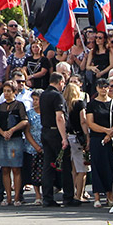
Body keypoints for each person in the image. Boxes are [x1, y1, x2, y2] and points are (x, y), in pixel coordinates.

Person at [38, 71, 75, 207]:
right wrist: (64, 138)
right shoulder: (57, 96)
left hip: (45, 131)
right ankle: (68, 197)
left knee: (48, 165)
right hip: (56, 133)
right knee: (65, 166)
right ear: (60, 82)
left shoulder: (43, 95)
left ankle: (47, 197)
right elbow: (59, 117)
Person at [86, 78, 113, 208]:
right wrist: (105, 131)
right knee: (96, 167)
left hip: (111, 139)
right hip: (97, 138)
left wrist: (109, 134)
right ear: (96, 88)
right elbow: (90, 123)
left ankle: (110, 195)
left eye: (106, 86)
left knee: (110, 167)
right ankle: (96, 196)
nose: (103, 89)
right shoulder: (91, 104)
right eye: (100, 86)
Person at [0, 80, 28, 206]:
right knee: (5, 168)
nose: (6, 93)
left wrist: (12, 130)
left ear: (14, 92)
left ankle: (17, 197)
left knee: (16, 168)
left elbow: (24, 121)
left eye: (9, 91)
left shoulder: (19, 105)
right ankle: (8, 197)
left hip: (16, 139)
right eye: (4, 91)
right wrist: (2, 132)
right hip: (3, 139)